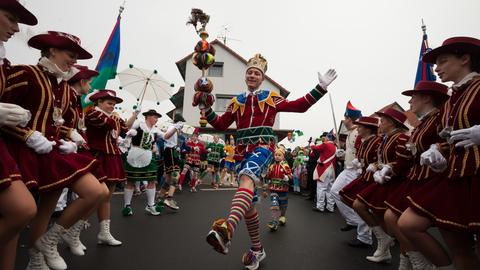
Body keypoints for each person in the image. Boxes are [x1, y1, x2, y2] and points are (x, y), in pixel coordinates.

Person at [200, 53, 337, 269]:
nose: (252, 75)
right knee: (249, 206)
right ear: (245, 76)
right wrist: (205, 109)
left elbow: (299, 106)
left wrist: (319, 88)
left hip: (263, 147)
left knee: (246, 178)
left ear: (262, 77)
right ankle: (257, 249)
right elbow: (221, 123)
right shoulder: (236, 101)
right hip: (241, 152)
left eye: (257, 73)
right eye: (250, 72)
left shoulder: (271, 97)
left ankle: (227, 229)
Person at [3, 30, 105, 270]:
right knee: (19, 216)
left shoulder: (65, 88)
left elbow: (62, 123)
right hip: (19, 151)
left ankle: (45, 245)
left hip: (50, 153)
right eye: (70, 54)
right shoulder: (25, 73)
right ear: (52, 50)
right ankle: (32, 259)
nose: (74, 60)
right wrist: (27, 135)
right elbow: (4, 115)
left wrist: (71, 138)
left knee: (88, 193)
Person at [399, 37, 480, 270]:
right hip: (455, 175)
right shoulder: (454, 99)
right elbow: (449, 137)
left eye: (443, 61)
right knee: (455, 245)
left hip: (477, 174)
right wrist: (438, 151)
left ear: (465, 59)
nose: (436, 68)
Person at [382, 81, 449, 270]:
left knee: (407, 224)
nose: (410, 102)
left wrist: (440, 150)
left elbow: (450, 140)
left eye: (413, 97)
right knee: (391, 217)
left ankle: (424, 264)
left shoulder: (438, 118)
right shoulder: (423, 123)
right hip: (418, 177)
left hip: (435, 178)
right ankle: (413, 260)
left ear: (427, 98)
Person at [59, 65, 111, 257]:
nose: (90, 85)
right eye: (109, 102)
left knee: (102, 193)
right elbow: (55, 122)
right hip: (66, 151)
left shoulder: (78, 103)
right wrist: (67, 135)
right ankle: (47, 241)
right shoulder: (86, 108)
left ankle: (70, 232)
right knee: (42, 208)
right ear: (81, 82)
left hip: (80, 151)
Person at [0, 2, 37, 270]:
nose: (15, 28)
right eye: (10, 19)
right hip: (22, 146)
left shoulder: (4, 63)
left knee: (19, 210)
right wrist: (28, 134)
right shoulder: (28, 73)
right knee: (22, 208)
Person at [353, 108, 410, 264]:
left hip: (396, 182)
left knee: (396, 224)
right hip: (384, 179)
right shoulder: (386, 138)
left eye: (383, 120)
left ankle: (406, 260)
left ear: (391, 123)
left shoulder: (401, 138)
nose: (380, 124)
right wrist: (376, 165)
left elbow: (402, 162)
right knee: (370, 210)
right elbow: (381, 159)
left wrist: (386, 168)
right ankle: (384, 242)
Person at [85, 89, 136, 247]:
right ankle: (73, 230)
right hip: (97, 156)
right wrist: (117, 119)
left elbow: (124, 129)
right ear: (99, 102)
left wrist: (135, 115)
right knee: (95, 195)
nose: (112, 106)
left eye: (113, 104)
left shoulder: (113, 116)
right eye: (109, 103)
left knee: (107, 197)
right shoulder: (92, 112)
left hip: (113, 156)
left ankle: (104, 233)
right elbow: (109, 124)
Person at [339, 116, 382, 249]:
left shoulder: (378, 141)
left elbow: (384, 159)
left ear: (368, 129)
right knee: (344, 195)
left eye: (361, 126)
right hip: (363, 175)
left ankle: (369, 237)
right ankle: (376, 235)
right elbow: (359, 156)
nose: (358, 128)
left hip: (375, 179)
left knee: (365, 207)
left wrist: (377, 166)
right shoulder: (365, 141)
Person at [330, 102, 364, 235]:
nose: (344, 120)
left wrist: (360, 163)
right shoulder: (351, 133)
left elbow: (361, 152)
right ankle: (352, 220)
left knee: (358, 200)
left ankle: (363, 233)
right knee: (335, 191)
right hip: (348, 168)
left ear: (349, 118)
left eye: (345, 118)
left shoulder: (358, 133)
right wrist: (343, 154)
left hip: (356, 170)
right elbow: (352, 152)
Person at [123, 109, 163, 216]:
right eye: (155, 117)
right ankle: (127, 206)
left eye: (157, 117)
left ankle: (151, 205)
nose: (156, 119)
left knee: (152, 180)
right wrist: (134, 115)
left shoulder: (155, 130)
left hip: (148, 156)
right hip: (134, 155)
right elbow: (126, 127)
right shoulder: (139, 123)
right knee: (130, 181)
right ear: (148, 117)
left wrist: (155, 148)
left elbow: (161, 138)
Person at [156, 114, 184, 210]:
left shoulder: (174, 129)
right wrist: (176, 128)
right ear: (179, 122)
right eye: (182, 123)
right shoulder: (173, 127)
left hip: (171, 152)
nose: (182, 126)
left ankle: (159, 197)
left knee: (168, 178)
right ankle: (169, 198)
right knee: (176, 175)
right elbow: (166, 137)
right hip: (170, 152)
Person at [262, 146, 292, 231]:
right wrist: (266, 174)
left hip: (283, 189)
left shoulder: (285, 165)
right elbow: (267, 176)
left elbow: (291, 176)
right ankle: (274, 222)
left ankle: (282, 216)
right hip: (273, 189)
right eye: (276, 155)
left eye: (279, 155)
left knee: (283, 205)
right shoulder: (271, 166)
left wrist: (287, 177)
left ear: (283, 156)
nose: (277, 156)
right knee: (274, 205)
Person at [311, 132, 337, 213]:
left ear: (328, 138)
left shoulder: (325, 145)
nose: (324, 138)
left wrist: (312, 142)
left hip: (324, 169)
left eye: (326, 137)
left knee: (321, 188)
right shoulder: (335, 147)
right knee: (329, 189)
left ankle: (320, 206)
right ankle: (330, 207)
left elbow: (314, 148)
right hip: (332, 169)